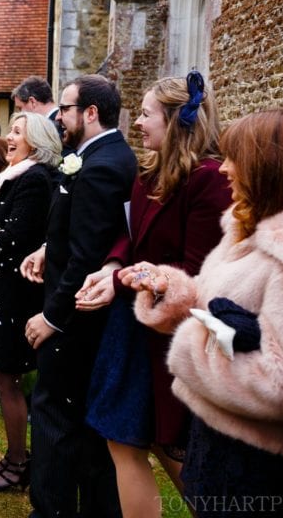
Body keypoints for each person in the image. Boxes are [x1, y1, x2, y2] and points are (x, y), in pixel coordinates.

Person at [124, 108, 283, 517]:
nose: (224, 168)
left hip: (258, 461)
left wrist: (189, 345)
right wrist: (167, 285)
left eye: (235, 158)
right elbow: (220, 306)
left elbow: (278, 386)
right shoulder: (248, 229)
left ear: (266, 167)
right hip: (218, 436)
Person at [77, 73, 231, 518]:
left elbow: (196, 270)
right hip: (132, 326)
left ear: (177, 122)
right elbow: (131, 239)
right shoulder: (148, 171)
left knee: (169, 447)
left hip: (171, 332)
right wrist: (111, 269)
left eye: (146, 114)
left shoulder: (209, 181)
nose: (138, 124)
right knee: (123, 439)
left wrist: (126, 278)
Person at [21, 74, 136, 518]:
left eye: (64, 109)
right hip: (82, 312)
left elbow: (88, 255)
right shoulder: (94, 157)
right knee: (84, 426)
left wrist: (50, 319)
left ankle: (50, 512)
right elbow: (86, 232)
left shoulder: (103, 164)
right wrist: (48, 248)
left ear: (90, 113)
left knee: (52, 415)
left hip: (77, 321)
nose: (58, 117)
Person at [0, 112, 61, 492]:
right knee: (2, 376)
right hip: (4, 289)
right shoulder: (17, 176)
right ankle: (11, 457)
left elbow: (13, 241)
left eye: (18, 132)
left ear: (36, 142)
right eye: (11, 130)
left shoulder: (35, 179)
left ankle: (19, 465)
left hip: (17, 294)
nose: (9, 137)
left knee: (7, 378)